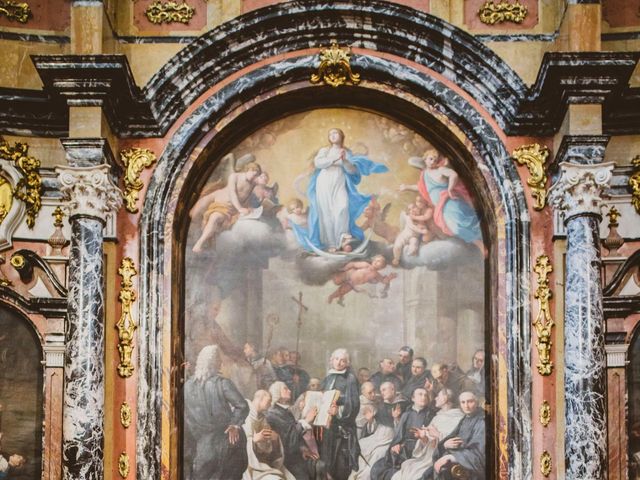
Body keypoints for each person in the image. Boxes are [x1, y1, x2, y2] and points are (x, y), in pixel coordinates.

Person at [292, 128, 389, 252]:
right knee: (326, 211)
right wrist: (333, 160)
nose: (332, 135)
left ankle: (342, 238)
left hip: (339, 181)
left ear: (341, 136)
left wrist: (344, 161)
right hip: (324, 182)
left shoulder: (346, 152)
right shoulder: (325, 150)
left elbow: (352, 170)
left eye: (335, 133)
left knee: (342, 207)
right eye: (330, 134)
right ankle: (331, 243)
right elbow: (318, 163)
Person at [183, 345, 249, 480]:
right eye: (219, 359)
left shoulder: (187, 385)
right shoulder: (222, 383)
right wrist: (235, 425)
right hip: (226, 441)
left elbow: (187, 417)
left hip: (202, 446)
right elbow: (242, 406)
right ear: (215, 362)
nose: (221, 362)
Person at [399, 149, 483, 252]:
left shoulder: (439, 170)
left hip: (449, 202)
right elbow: (421, 187)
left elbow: (453, 175)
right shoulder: (424, 175)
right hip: (441, 206)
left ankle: (480, 244)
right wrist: (406, 187)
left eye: (435, 159)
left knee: (458, 225)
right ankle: (478, 243)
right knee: (455, 226)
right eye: (430, 158)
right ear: (425, 160)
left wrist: (450, 188)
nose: (433, 161)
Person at [390, 389, 463, 480]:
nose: (435, 398)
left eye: (438, 396)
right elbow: (428, 441)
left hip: (438, 457)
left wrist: (437, 435)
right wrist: (423, 437)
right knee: (403, 471)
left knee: (412, 474)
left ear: (445, 399)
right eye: (420, 395)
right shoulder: (438, 416)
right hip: (426, 456)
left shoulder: (457, 418)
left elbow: (454, 442)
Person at [191, 162, 263, 252]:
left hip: (230, 210)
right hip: (220, 202)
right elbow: (232, 193)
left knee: (215, 219)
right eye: (254, 174)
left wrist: (247, 208)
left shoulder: (253, 184)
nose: (254, 177)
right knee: (200, 214)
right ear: (250, 169)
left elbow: (250, 197)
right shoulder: (235, 176)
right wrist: (240, 208)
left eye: (256, 176)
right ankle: (197, 243)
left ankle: (202, 244)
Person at [370, 387, 436, 480]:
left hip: (423, 449)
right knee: (380, 469)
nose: (423, 397)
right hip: (405, 448)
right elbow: (398, 435)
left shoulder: (431, 415)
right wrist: (396, 444)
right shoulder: (406, 414)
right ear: (413, 398)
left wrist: (423, 438)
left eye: (425, 395)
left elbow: (433, 438)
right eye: (420, 394)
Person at [266, 382, 322, 480]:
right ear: (277, 392)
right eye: (285, 389)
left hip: (295, 455)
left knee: (320, 466)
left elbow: (296, 435)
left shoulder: (286, 411)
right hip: (284, 459)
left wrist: (303, 448)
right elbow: (289, 437)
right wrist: (306, 421)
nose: (290, 391)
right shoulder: (272, 414)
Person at [320, 348, 361, 479]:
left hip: (343, 428)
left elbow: (354, 404)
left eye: (343, 360)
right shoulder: (328, 378)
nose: (339, 363)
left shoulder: (350, 379)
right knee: (326, 462)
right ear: (332, 360)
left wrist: (338, 411)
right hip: (327, 426)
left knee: (341, 464)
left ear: (347, 363)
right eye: (337, 359)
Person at [350, 382, 404, 480]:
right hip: (378, 434)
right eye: (381, 390)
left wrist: (396, 419)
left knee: (378, 453)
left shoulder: (402, 404)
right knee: (362, 444)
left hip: (391, 438)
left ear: (393, 389)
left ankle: (364, 477)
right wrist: (370, 420)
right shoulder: (382, 405)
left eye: (384, 390)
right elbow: (375, 427)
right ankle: (357, 474)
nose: (381, 393)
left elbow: (403, 429)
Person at [427, 392, 485, 480]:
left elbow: (479, 454)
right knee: (426, 475)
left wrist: (452, 457)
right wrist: (444, 444)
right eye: (463, 402)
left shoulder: (482, 421)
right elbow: (451, 437)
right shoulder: (466, 418)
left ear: (476, 403)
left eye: (470, 401)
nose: (466, 406)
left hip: (469, 468)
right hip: (459, 459)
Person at [242, 390, 295, 480]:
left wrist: (275, 440)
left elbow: (268, 450)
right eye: (269, 401)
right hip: (249, 467)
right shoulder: (244, 415)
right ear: (259, 399)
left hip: (263, 464)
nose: (270, 404)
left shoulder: (263, 419)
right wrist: (254, 441)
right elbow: (238, 446)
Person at [328, 256, 397, 306]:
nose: (376, 261)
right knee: (336, 280)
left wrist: (390, 278)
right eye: (376, 259)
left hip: (351, 283)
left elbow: (383, 281)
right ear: (373, 260)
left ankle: (331, 296)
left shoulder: (376, 274)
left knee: (342, 291)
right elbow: (353, 264)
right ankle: (329, 273)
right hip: (348, 274)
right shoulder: (366, 265)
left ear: (381, 267)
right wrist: (345, 268)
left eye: (379, 261)